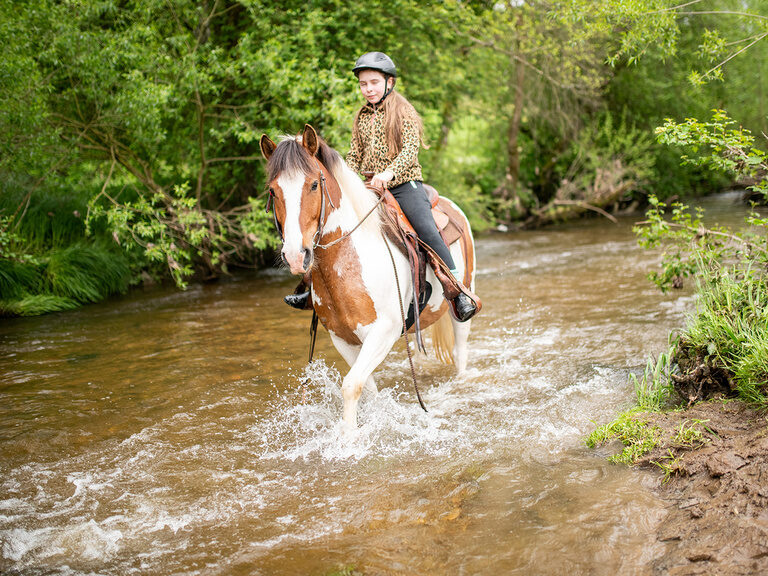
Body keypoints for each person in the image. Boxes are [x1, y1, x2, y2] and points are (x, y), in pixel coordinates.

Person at [285, 51, 478, 322]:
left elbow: (410, 150)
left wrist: (388, 173)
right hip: (368, 186)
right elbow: (355, 153)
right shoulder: (361, 116)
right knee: (331, 222)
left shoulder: (403, 110)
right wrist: (343, 175)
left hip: (403, 184)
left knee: (425, 228)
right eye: (364, 84)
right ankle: (311, 286)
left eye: (374, 82)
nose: (368, 89)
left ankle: (457, 290)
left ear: (389, 82)